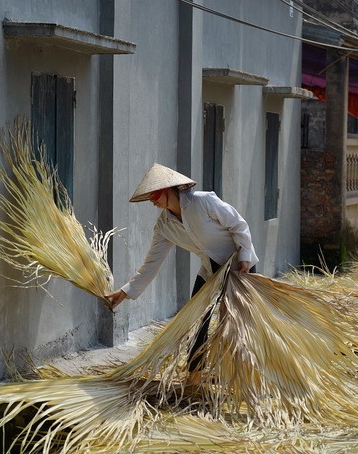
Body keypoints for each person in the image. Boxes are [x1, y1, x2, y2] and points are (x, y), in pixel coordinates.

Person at [104, 163, 259, 384]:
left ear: (169, 189)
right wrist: (125, 291)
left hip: (240, 267)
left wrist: (244, 256)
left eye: (155, 194)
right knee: (196, 320)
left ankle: (240, 377)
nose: (153, 201)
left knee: (235, 324)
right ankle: (194, 376)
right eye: (150, 198)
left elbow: (238, 224)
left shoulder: (203, 201)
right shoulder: (164, 227)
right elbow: (151, 264)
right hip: (210, 271)